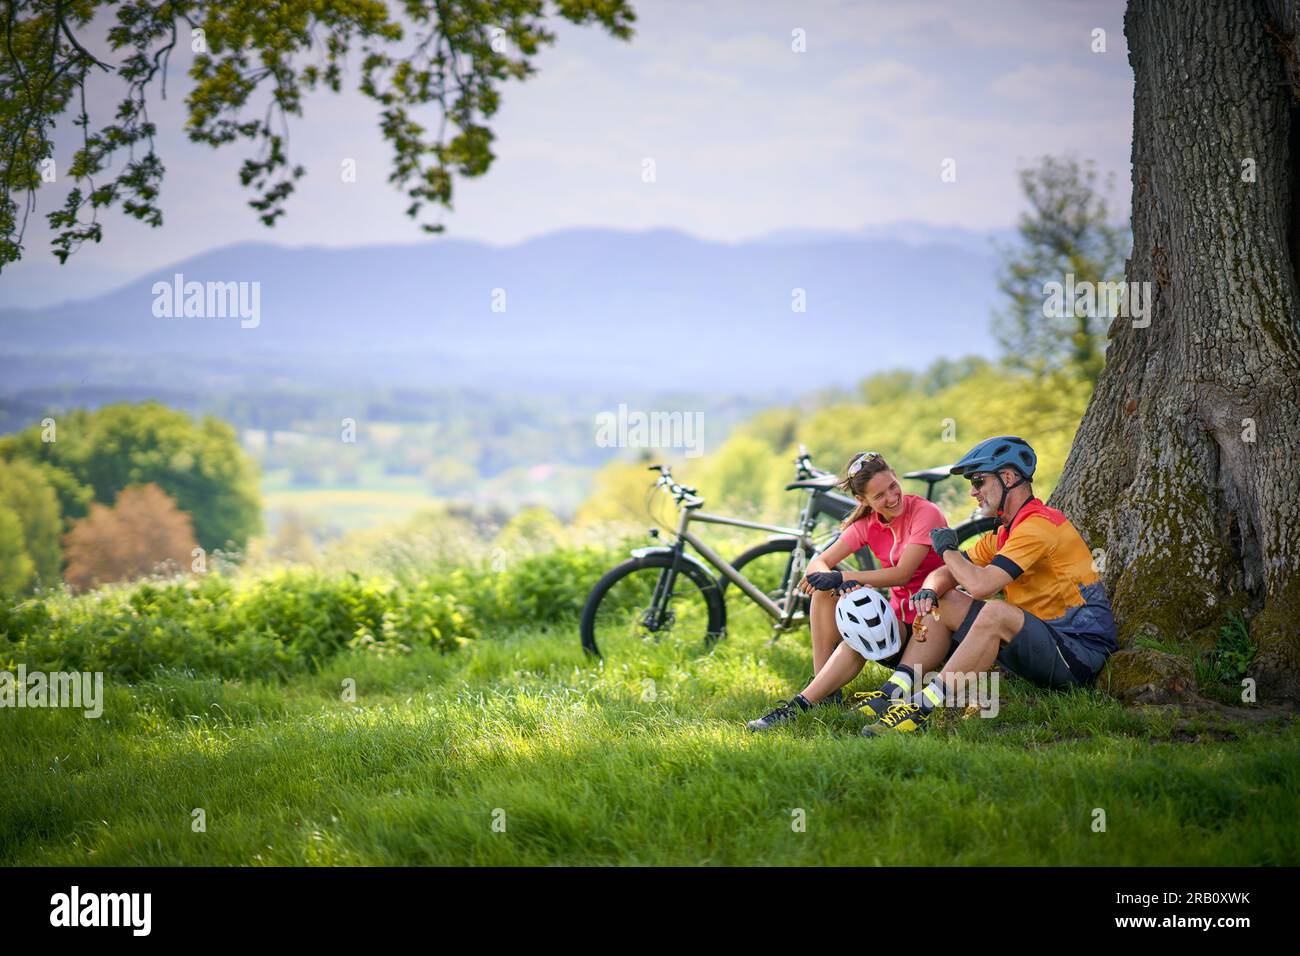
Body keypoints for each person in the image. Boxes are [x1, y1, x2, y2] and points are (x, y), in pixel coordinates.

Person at [861, 435, 1118, 737]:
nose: (973, 491)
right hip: (1044, 640)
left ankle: (921, 708)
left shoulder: (1039, 525)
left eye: (979, 481)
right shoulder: (1005, 533)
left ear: (1008, 477)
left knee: (996, 612)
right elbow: (946, 574)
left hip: (1079, 654)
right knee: (945, 599)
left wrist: (947, 550)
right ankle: (893, 692)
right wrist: (931, 589)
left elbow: (981, 586)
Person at [747, 451, 951, 731]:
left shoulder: (925, 513)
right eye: (879, 496)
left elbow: (902, 573)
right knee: (824, 592)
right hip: (899, 627)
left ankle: (807, 700)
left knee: (841, 594)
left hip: (934, 625)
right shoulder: (868, 524)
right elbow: (820, 562)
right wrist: (827, 579)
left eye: (893, 485)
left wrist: (842, 576)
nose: (892, 497)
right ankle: (822, 690)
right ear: (862, 500)